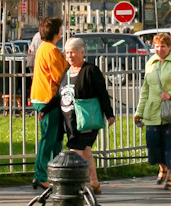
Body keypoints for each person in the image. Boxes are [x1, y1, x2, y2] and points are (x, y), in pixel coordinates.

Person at [138, 28, 171, 188]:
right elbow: (145, 89)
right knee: (154, 145)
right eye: (157, 46)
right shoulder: (151, 63)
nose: (160, 49)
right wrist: (139, 112)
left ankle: (170, 176)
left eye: (163, 46)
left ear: (170, 47)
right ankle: (162, 167)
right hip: (153, 111)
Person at [60, 36, 115, 191]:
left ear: (82, 52)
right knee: (85, 152)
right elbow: (61, 94)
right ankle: (94, 183)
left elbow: (102, 93)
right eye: (67, 53)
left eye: (73, 52)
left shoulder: (90, 70)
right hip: (70, 121)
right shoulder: (67, 71)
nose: (69, 56)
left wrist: (109, 114)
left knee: (76, 152)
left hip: (86, 119)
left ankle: (79, 185)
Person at [30, 17, 68, 185]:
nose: (62, 32)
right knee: (49, 139)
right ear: (56, 32)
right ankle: (41, 175)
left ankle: (51, 172)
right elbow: (59, 75)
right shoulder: (51, 50)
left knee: (55, 138)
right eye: (61, 29)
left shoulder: (43, 48)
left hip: (42, 96)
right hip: (48, 98)